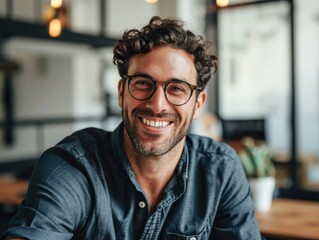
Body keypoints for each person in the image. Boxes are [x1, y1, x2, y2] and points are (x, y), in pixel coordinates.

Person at [1, 16, 263, 240]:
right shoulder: (74, 168)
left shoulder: (220, 170)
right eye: (142, 83)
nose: (157, 104)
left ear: (197, 105)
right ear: (121, 93)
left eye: (177, 89)